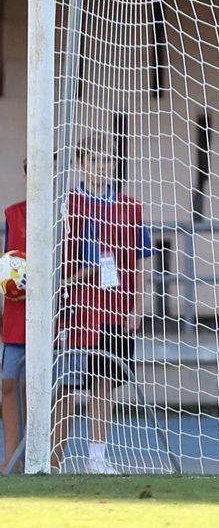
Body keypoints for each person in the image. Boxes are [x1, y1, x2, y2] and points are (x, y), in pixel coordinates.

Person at [52, 142, 150, 474]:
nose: (103, 166)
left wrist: (138, 306)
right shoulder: (66, 205)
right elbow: (57, 262)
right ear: (81, 163)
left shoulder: (130, 208)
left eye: (108, 160)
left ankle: (97, 457)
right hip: (76, 311)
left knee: (104, 383)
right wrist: (81, 275)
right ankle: (51, 460)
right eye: (95, 159)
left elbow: (141, 262)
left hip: (117, 310)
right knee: (64, 385)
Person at [1, 193, 23, 474]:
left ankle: (41, 459)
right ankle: (12, 459)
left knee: (40, 389)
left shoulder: (71, 213)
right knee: (8, 385)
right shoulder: (13, 213)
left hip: (58, 309)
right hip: (18, 309)